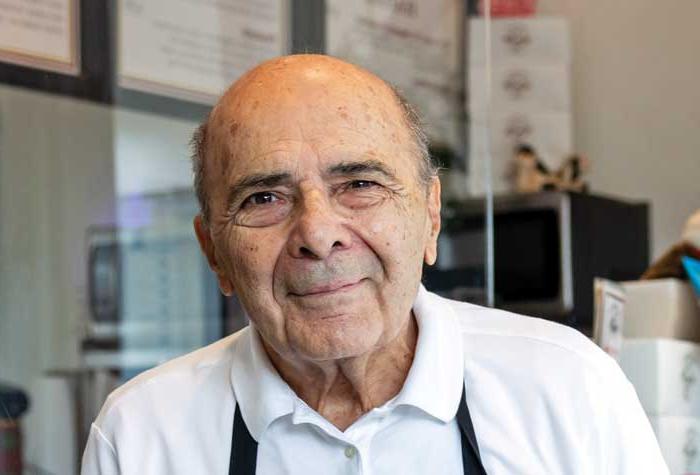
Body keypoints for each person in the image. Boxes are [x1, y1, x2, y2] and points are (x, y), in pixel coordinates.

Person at [81, 55, 668, 474]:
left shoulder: (567, 388)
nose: (318, 235)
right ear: (214, 251)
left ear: (430, 216)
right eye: (264, 198)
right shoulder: (141, 436)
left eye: (360, 184)